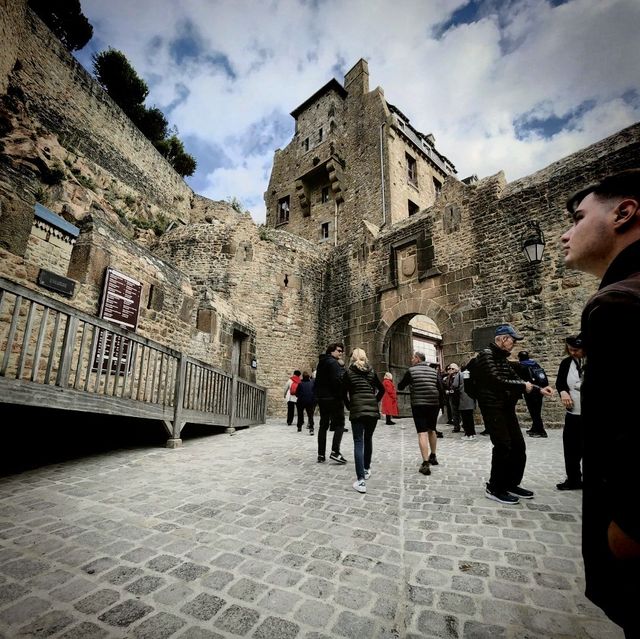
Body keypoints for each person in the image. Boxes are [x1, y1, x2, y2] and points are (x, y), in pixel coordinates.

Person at [561, 169, 640, 637]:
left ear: (624, 212)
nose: (566, 233)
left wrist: (629, 522)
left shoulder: (616, 303)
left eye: (578, 217)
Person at [473, 324, 553, 505]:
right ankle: (494, 487)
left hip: (506, 406)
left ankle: (511, 483)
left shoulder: (502, 358)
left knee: (518, 445)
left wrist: (539, 389)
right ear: (502, 339)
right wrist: (522, 386)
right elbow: (496, 379)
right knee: (503, 446)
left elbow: (516, 379)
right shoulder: (486, 355)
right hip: (492, 407)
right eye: (512, 340)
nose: (514, 344)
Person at [342, 348, 385, 493]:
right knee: (368, 439)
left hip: (357, 410)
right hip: (372, 410)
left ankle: (360, 480)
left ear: (352, 358)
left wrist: (350, 405)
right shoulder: (372, 371)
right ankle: (366, 469)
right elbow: (382, 389)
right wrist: (375, 401)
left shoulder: (348, 373)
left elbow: (343, 393)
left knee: (358, 442)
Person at [397, 352, 444, 476]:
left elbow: (401, 386)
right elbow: (440, 388)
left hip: (419, 404)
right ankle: (433, 455)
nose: (412, 359)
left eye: (413, 357)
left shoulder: (411, 371)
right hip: (434, 404)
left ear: (417, 359)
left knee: (422, 432)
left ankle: (425, 463)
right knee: (432, 429)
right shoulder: (434, 372)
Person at [555, 335, 585, 490]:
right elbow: (560, 382)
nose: (572, 352)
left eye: (576, 350)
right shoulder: (566, 363)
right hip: (573, 414)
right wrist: (563, 392)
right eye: (570, 349)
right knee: (571, 448)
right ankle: (573, 479)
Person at [314, 343, 347, 464]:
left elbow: (317, 381)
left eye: (342, 351)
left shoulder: (321, 362)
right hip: (333, 398)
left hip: (322, 399)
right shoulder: (333, 363)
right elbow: (337, 381)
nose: (341, 353)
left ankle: (321, 455)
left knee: (323, 426)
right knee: (340, 424)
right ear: (331, 351)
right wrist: (341, 395)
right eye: (339, 351)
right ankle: (335, 451)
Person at [514, 351, 549, 438]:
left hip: (530, 391)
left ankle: (541, 431)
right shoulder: (535, 364)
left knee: (534, 412)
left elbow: (521, 380)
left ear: (519, 357)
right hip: (540, 390)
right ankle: (534, 428)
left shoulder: (521, 366)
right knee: (537, 410)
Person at [458, 365, 477, 439]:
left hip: (463, 399)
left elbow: (455, 385)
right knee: (470, 417)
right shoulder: (472, 375)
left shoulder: (460, 375)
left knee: (465, 418)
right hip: (471, 399)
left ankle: (468, 434)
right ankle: (472, 433)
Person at [296, 371, 316, 435]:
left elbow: (297, 393)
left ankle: (299, 427)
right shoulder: (312, 383)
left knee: (300, 414)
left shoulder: (300, 384)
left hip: (301, 401)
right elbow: (314, 392)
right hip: (310, 401)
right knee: (310, 415)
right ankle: (311, 428)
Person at [445, 363, 462, 432]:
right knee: (454, 412)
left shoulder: (459, 375)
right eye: (449, 368)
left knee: (460, 412)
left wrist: (450, 391)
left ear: (456, 369)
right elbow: (448, 385)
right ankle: (456, 427)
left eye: (452, 368)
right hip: (452, 397)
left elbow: (458, 386)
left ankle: (461, 425)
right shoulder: (449, 376)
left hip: (459, 396)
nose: (450, 370)